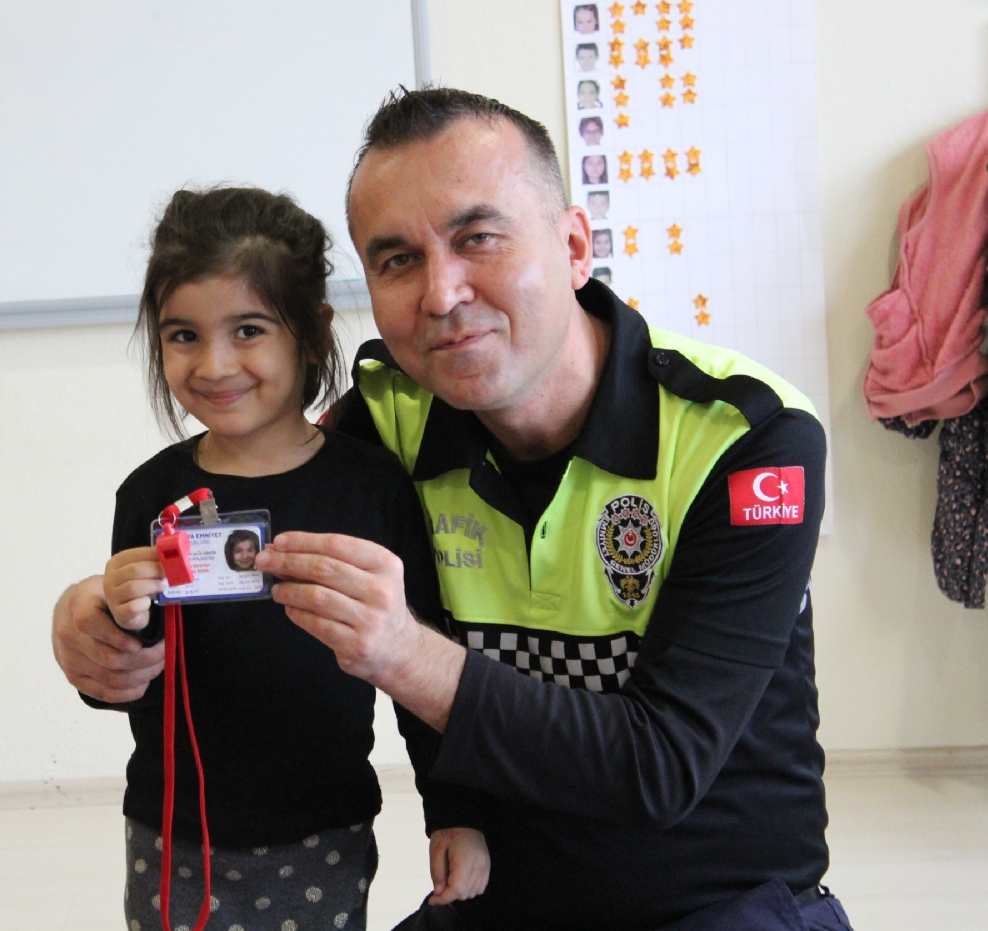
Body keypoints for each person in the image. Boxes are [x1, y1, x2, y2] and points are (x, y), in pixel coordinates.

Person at [53, 89, 848, 931]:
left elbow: (658, 766)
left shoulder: (743, 439)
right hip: (498, 902)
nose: (441, 294)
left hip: (719, 907)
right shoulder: (383, 424)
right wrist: (90, 617)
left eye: (478, 238)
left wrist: (406, 654)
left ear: (575, 248)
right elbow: (242, 506)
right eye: (398, 260)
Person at [85, 186, 486, 931]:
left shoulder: (372, 488)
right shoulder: (151, 494)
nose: (214, 364)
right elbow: (124, 688)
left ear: (310, 332)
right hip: (171, 834)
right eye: (182, 335)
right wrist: (117, 623)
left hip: (323, 830)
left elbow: (424, 673)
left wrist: (453, 813)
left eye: (248, 330)